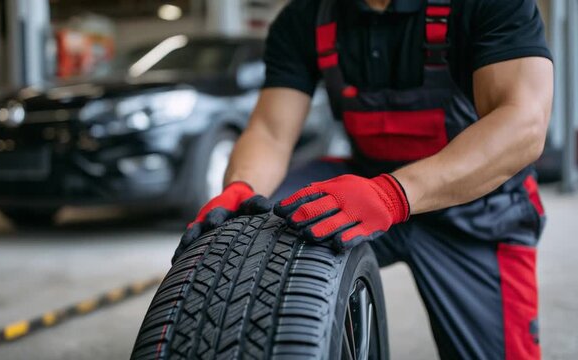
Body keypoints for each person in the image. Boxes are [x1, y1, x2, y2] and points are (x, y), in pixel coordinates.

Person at [173, 0, 553, 358]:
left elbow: (524, 123)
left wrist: (394, 194)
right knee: (257, 227)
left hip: (478, 211)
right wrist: (241, 187)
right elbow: (270, 132)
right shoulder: (307, 17)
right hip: (365, 189)